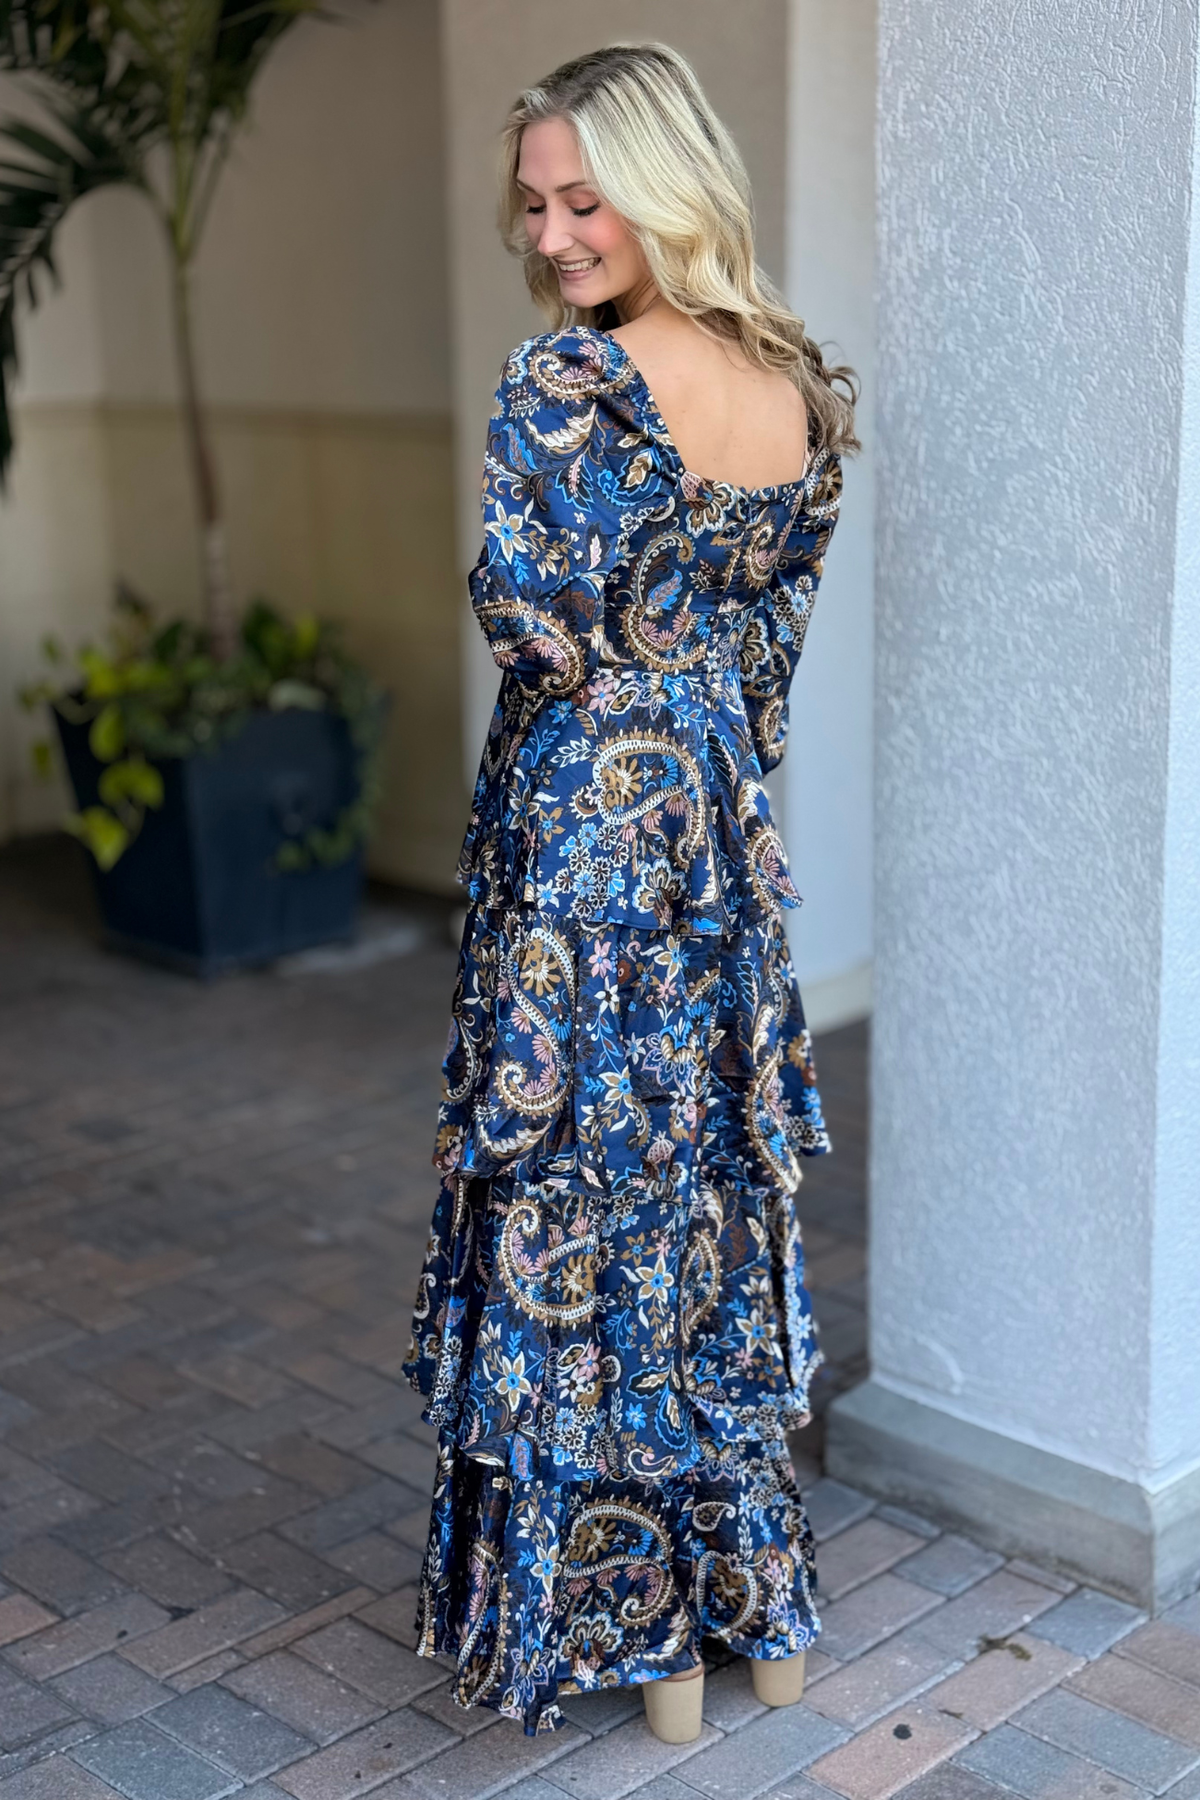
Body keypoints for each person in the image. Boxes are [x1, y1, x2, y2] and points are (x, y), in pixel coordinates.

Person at [403, 40, 859, 1745]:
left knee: (585, 1216)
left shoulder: (562, 388)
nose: (553, 232)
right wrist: (702, 767)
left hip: (585, 856)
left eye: (585, 196)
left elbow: (536, 637)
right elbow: (762, 673)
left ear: (666, 186)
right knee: (705, 1217)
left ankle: (638, 1627)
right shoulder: (797, 390)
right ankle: (762, 1609)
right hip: (717, 860)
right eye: (533, 202)